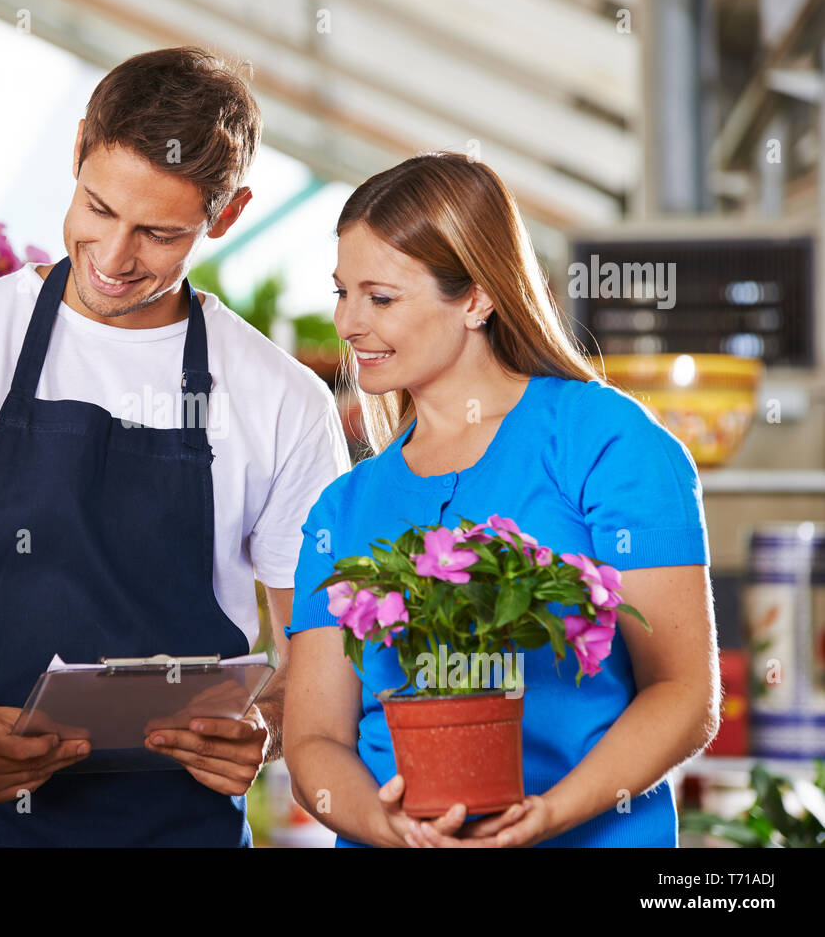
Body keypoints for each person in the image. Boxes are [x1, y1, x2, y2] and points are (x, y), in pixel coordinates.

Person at [0, 46, 350, 846]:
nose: (113, 259)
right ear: (78, 148)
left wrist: (271, 724)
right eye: (99, 208)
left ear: (229, 212)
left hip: (181, 829)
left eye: (158, 232)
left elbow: (318, 654)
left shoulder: (282, 400)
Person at [283, 152, 720, 848]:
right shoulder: (344, 508)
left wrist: (553, 812)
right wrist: (388, 827)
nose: (348, 322)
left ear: (478, 298)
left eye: (381, 297)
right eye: (342, 292)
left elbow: (682, 693)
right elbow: (314, 739)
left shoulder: (606, 443)